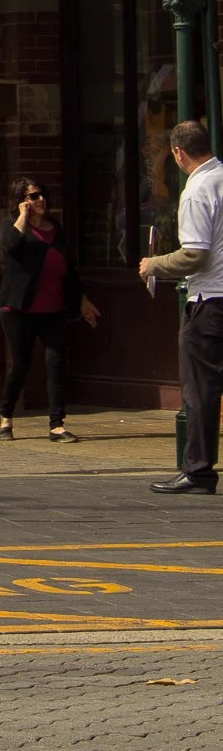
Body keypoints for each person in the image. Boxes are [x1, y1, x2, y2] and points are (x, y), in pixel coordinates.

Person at [139, 119, 223, 496]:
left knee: (200, 390)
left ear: (178, 153)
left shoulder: (197, 190)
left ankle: (198, 470)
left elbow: (195, 255)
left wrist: (153, 264)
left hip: (209, 303)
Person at [0, 175, 99, 442]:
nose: (40, 200)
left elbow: (70, 269)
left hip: (53, 308)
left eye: (41, 194)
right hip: (19, 309)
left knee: (56, 363)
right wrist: (22, 216)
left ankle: (56, 425)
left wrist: (82, 300)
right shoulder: (10, 225)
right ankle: (5, 417)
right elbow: (10, 246)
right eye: (33, 196)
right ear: (21, 201)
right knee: (21, 365)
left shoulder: (56, 227)